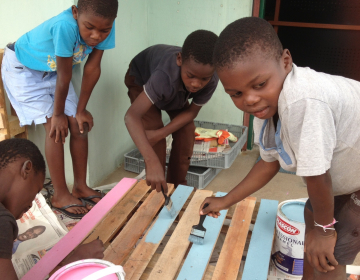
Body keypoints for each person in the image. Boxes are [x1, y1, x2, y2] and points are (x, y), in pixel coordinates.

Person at [199, 17, 360, 280]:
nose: (249, 99)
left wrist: (324, 229)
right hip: (347, 170)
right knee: (314, 222)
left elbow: (317, 175)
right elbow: (268, 162)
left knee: (332, 251)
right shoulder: (267, 105)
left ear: (286, 61)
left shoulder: (302, 101)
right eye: (236, 94)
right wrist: (225, 200)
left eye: (259, 85)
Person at [1, 0, 118, 218]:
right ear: (75, 13)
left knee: (78, 124)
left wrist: (81, 110)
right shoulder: (65, 26)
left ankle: (80, 186)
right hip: (23, 69)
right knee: (56, 128)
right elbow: (65, 76)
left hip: (52, 72)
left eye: (104, 30)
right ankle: (60, 194)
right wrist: (57, 115)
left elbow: (92, 68)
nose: (96, 36)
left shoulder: (106, 24)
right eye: (89, 28)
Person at [124, 30, 219, 193]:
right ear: (179, 59)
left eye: (203, 79)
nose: (196, 84)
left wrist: (161, 133)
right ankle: (156, 189)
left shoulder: (212, 77)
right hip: (141, 79)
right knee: (153, 129)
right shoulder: (164, 76)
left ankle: (176, 186)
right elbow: (131, 116)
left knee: (186, 130)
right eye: (191, 76)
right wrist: (151, 160)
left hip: (174, 90)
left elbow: (191, 113)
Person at [0, 138, 104, 280]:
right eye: (36, 191)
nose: (31, 205)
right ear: (27, 169)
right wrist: (73, 263)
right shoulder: (2, 222)